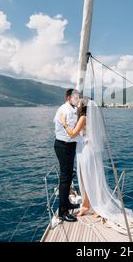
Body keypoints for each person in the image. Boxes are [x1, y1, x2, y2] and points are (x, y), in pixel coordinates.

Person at [60, 99, 133, 232]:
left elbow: (72, 134)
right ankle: (89, 204)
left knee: (86, 178)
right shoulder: (91, 119)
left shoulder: (83, 118)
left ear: (82, 108)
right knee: (91, 177)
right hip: (89, 150)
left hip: (85, 151)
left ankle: (91, 205)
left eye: (78, 105)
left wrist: (64, 122)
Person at [53, 89, 82, 222]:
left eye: (78, 97)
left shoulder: (71, 108)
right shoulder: (66, 110)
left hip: (68, 145)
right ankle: (62, 212)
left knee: (68, 176)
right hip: (64, 145)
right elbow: (72, 132)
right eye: (75, 97)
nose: (77, 99)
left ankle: (67, 204)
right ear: (69, 97)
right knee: (65, 178)